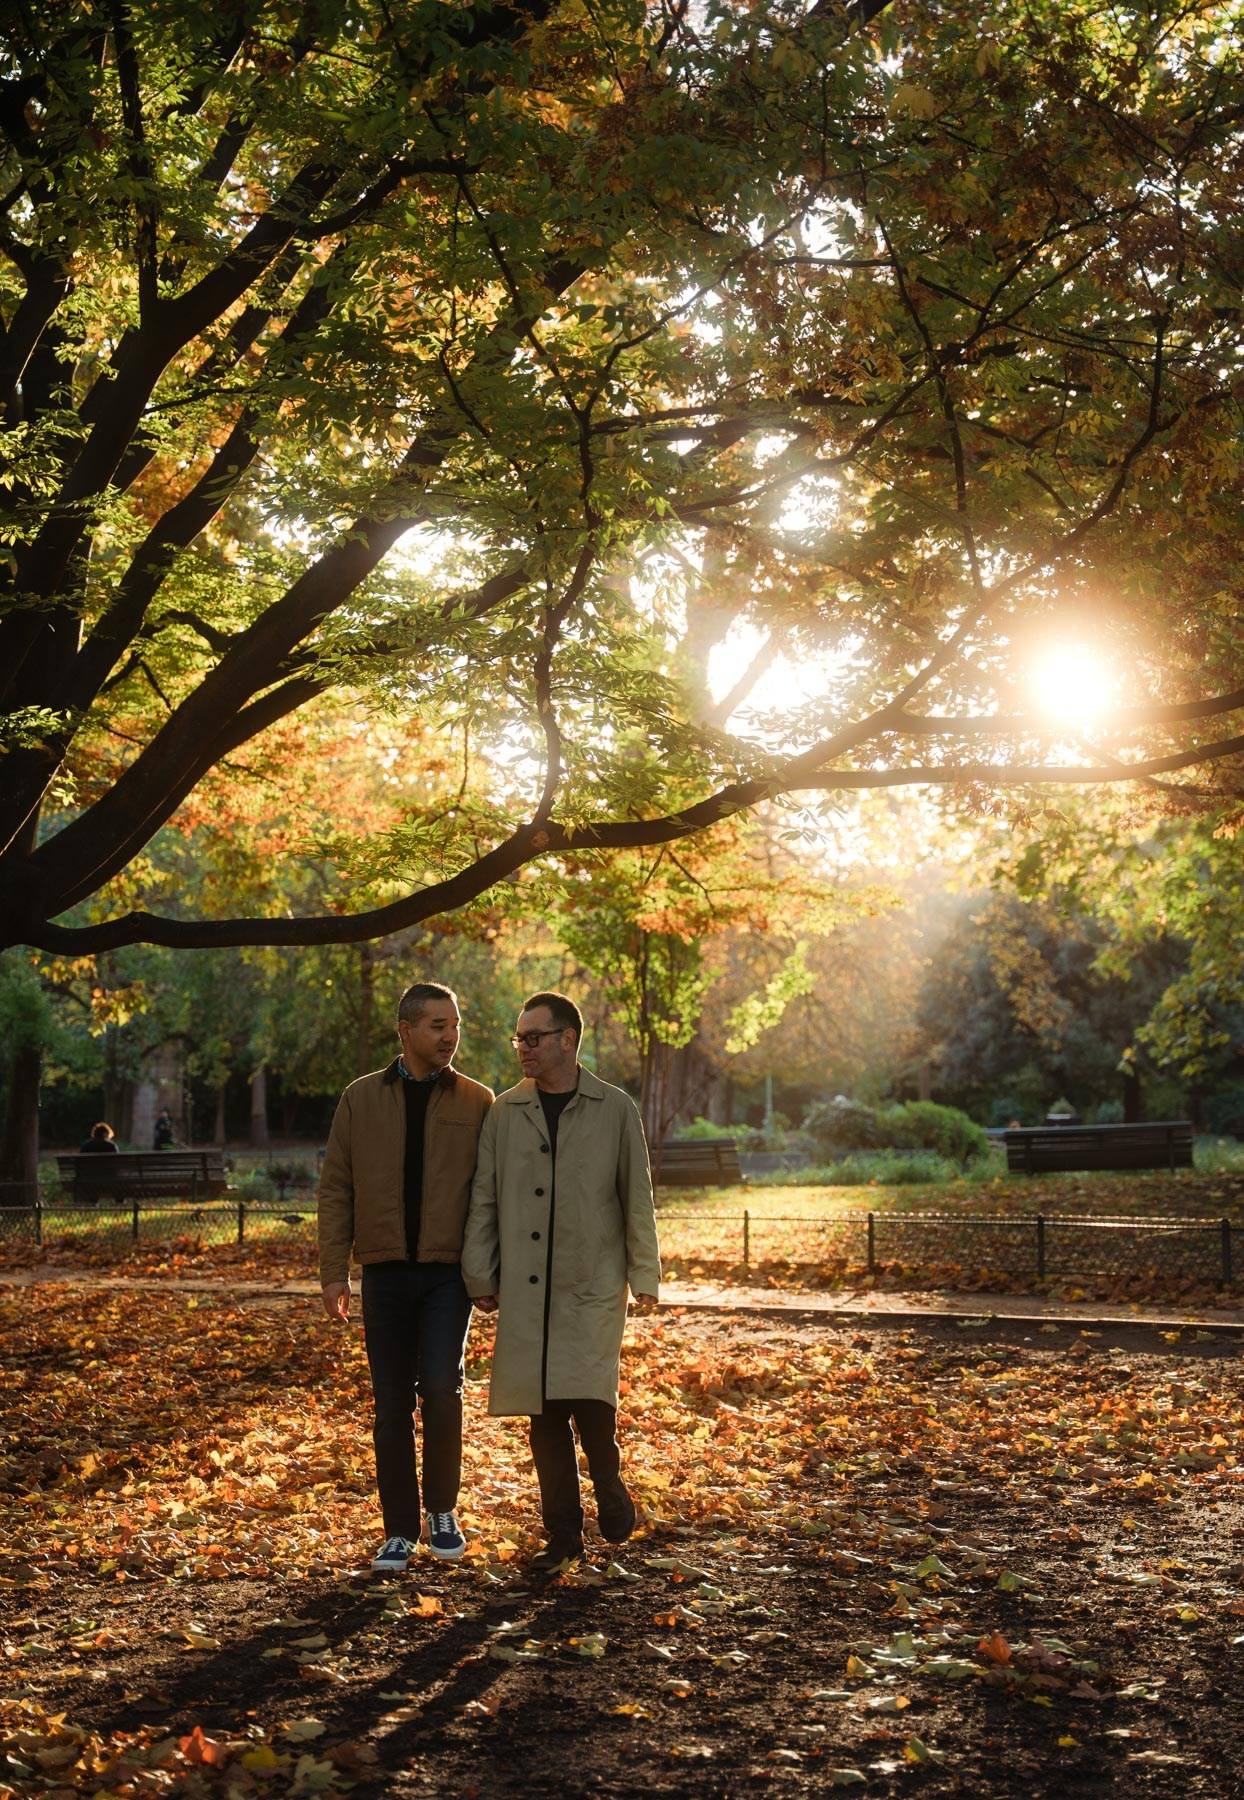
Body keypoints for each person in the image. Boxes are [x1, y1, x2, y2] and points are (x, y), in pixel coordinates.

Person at [462, 990, 661, 1574]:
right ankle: (563, 1537)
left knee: (590, 1399)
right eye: (518, 1038)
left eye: (532, 1037)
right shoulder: (505, 1111)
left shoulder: (615, 1108)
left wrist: (644, 1272)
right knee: (543, 1414)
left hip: (592, 1280)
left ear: (567, 1040)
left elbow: (637, 1197)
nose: (521, 1047)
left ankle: (609, 1480)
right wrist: (480, 1271)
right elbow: (484, 1197)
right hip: (526, 1287)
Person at [318, 982, 493, 1574]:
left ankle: (442, 1509)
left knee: (442, 1391)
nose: (450, 1036)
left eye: (456, 1024)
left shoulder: (477, 1102)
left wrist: (488, 1269)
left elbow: (491, 1194)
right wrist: (333, 1272)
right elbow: (337, 1186)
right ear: (406, 1031)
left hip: (449, 1276)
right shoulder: (360, 1099)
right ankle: (398, 1528)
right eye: (438, 1026)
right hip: (385, 1274)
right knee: (391, 1405)